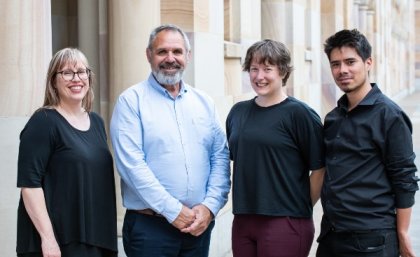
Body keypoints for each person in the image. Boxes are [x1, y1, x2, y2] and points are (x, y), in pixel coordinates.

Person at [110, 24, 231, 257]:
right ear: (149, 55)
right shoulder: (131, 102)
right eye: (162, 51)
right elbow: (132, 167)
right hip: (150, 231)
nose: (170, 58)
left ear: (188, 55)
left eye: (177, 51)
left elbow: (220, 157)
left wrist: (210, 207)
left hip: (198, 228)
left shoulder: (204, 102)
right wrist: (174, 211)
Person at [316, 29, 419, 257]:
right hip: (331, 236)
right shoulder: (333, 118)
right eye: (335, 64)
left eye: (350, 62)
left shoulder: (390, 116)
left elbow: (404, 177)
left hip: (372, 241)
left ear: (368, 62)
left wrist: (403, 233)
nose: (342, 70)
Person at [226, 39, 325, 257]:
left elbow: (320, 169)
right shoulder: (237, 112)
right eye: (254, 69)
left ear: (282, 72)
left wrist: (300, 207)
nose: (259, 76)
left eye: (267, 69)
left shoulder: (300, 114)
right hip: (243, 220)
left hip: (285, 221)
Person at [16, 48, 118, 257]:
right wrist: (48, 240)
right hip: (60, 243)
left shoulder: (97, 122)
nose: (76, 78)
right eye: (67, 73)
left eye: (82, 72)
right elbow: (30, 186)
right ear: (54, 80)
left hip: (96, 240)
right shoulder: (43, 122)